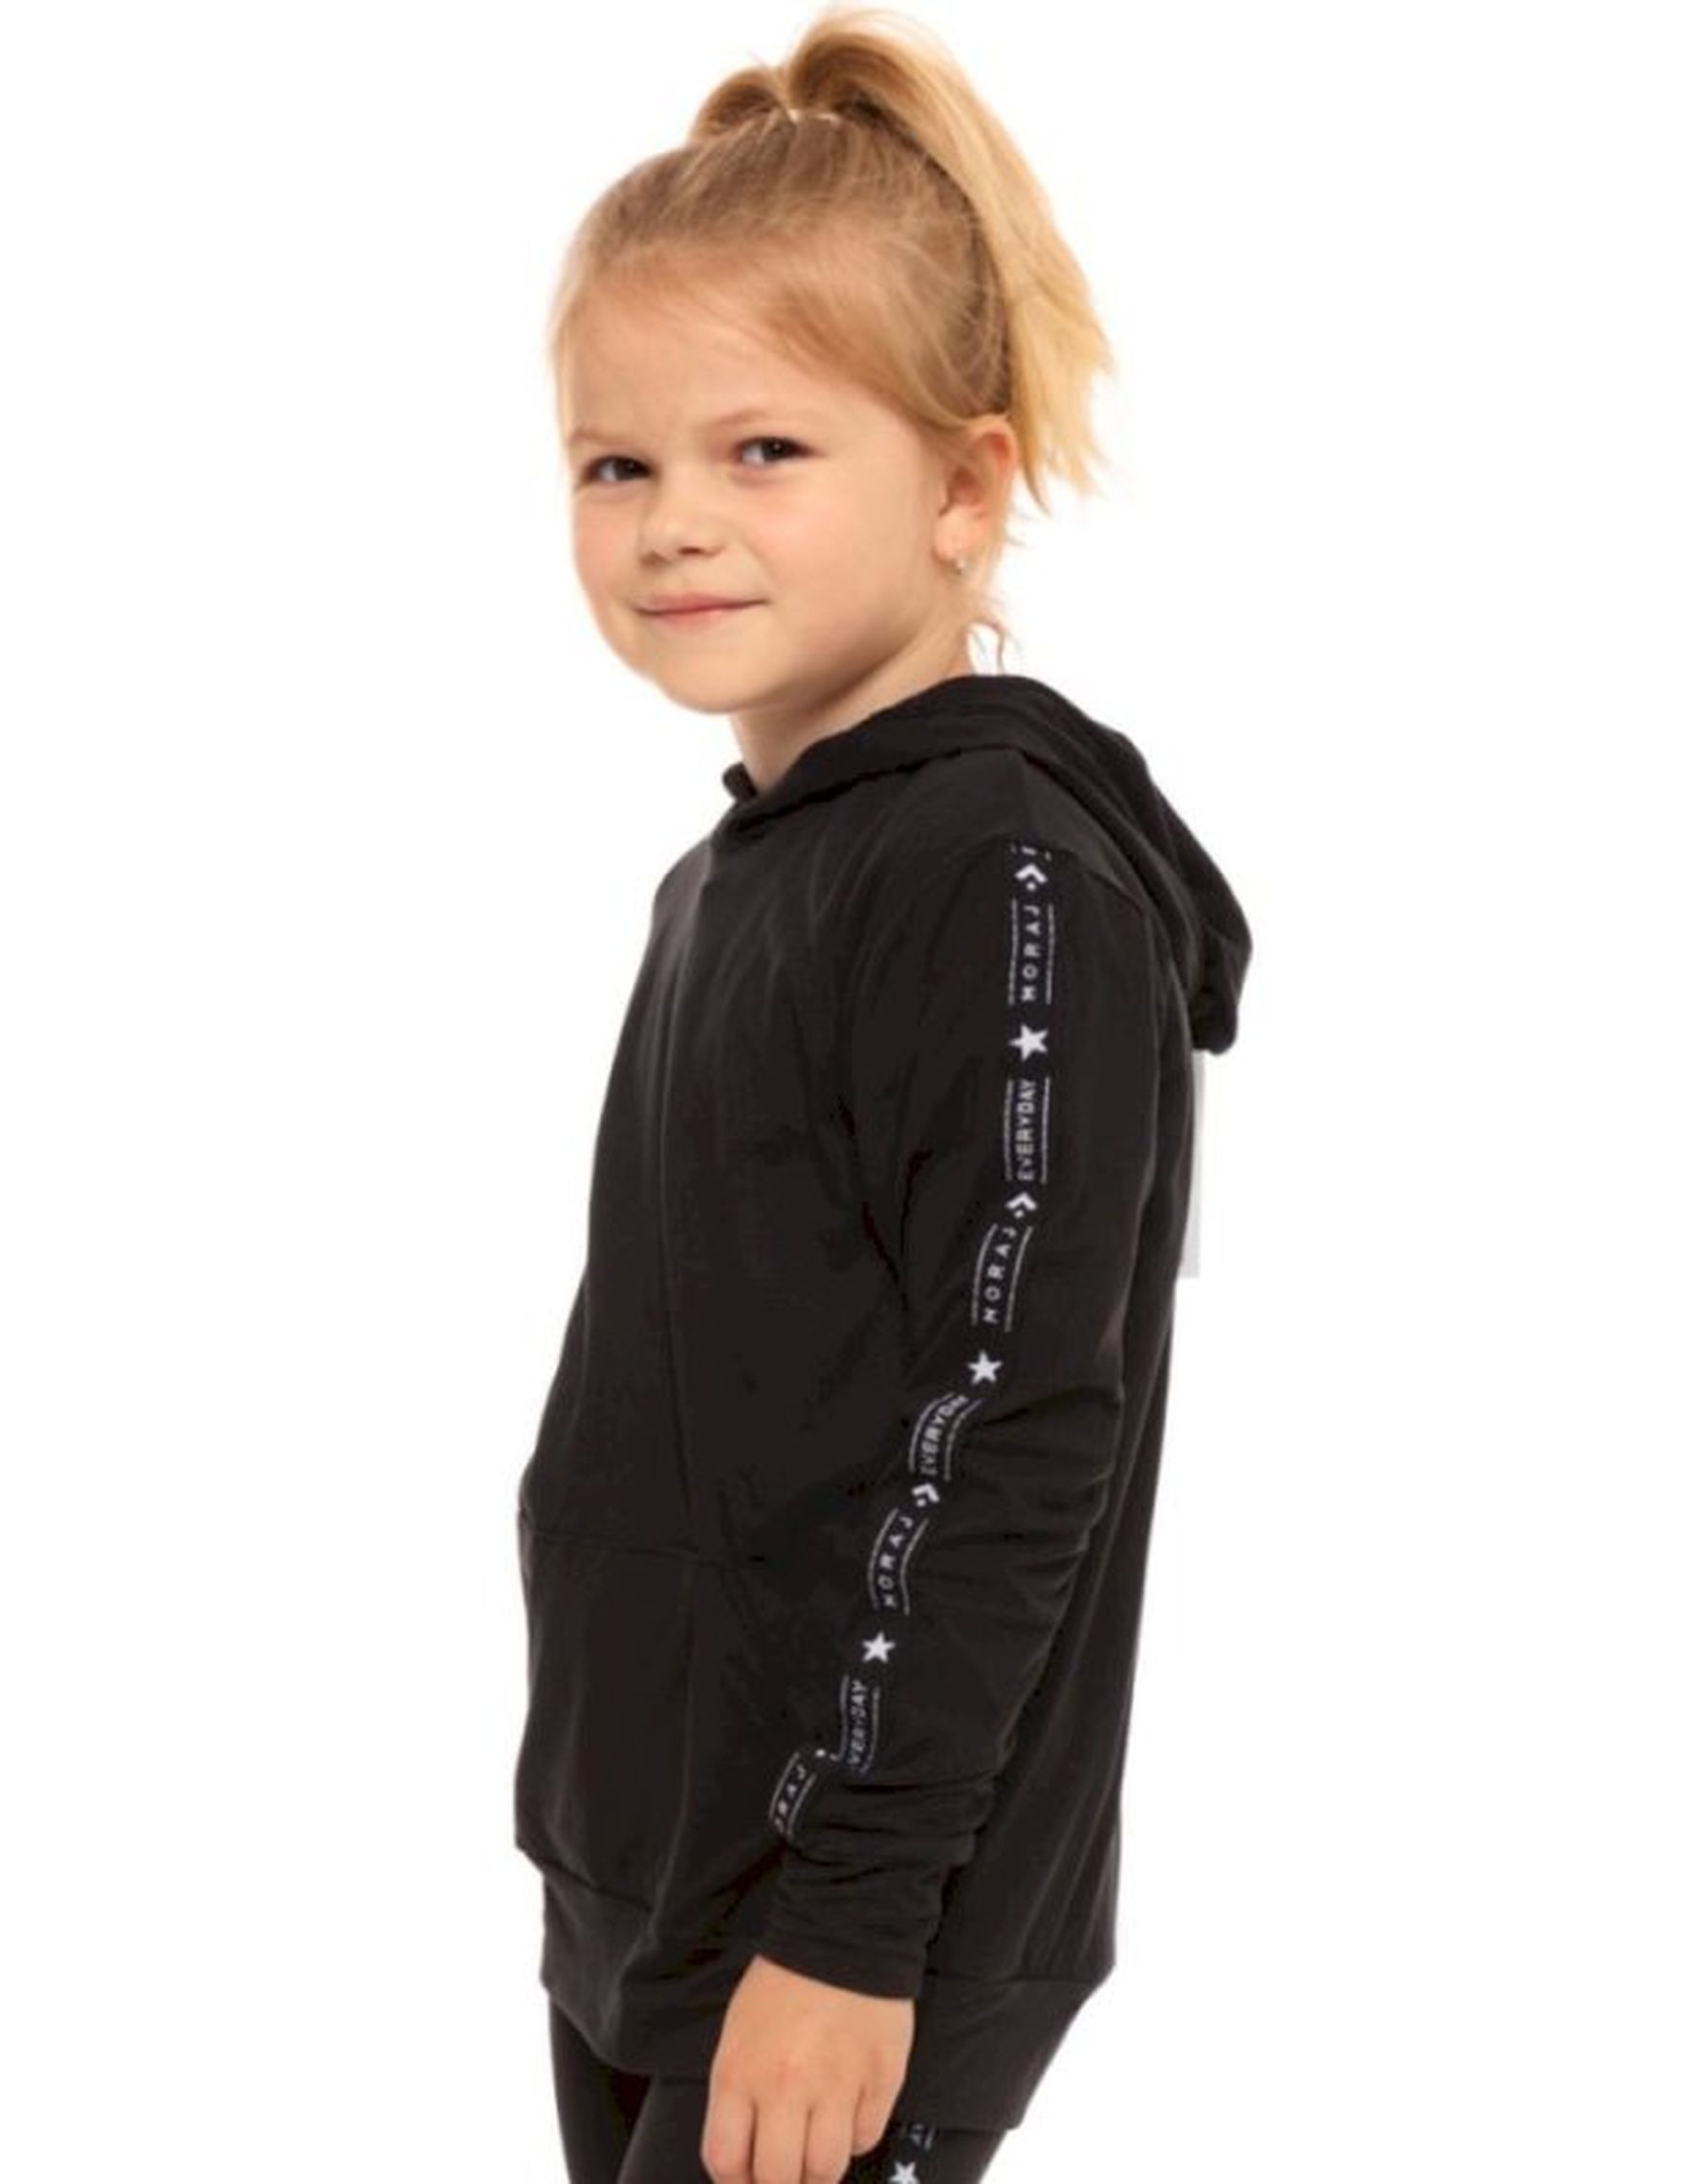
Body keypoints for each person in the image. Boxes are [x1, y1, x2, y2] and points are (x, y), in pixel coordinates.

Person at [511, 9, 1253, 2181]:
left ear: (962, 486)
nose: (674, 524)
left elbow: (1013, 1423)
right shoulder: (738, 871)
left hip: (845, 1938)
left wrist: (848, 1927)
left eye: (765, 450)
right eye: (615, 464)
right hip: (655, 1879)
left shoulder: (1000, 874)